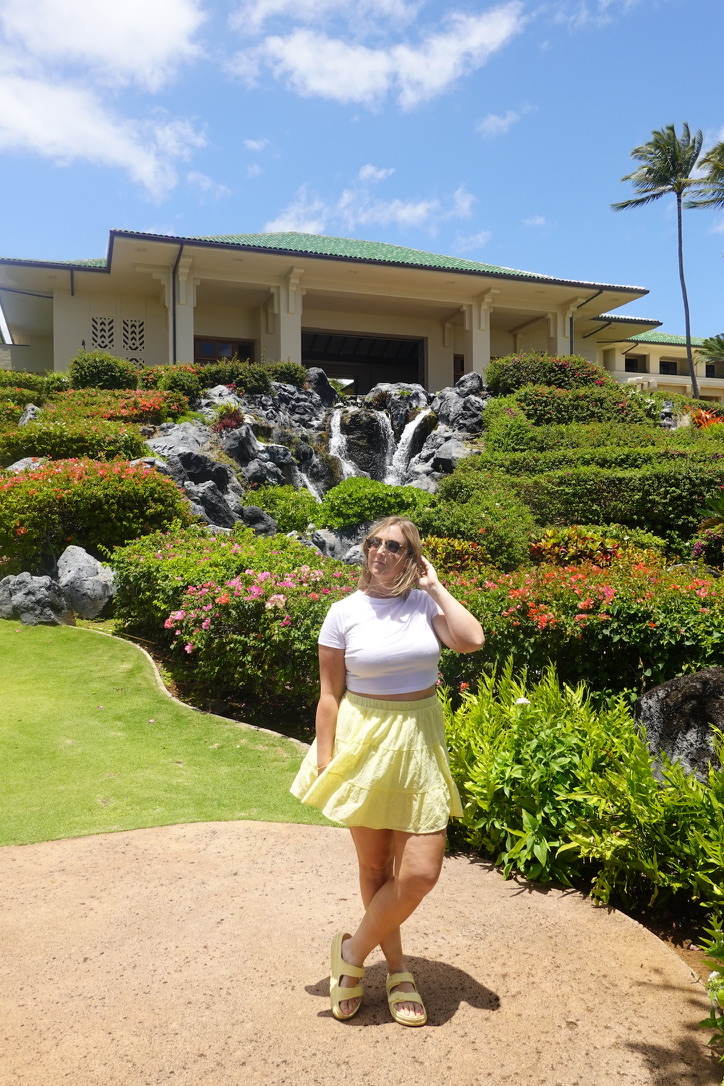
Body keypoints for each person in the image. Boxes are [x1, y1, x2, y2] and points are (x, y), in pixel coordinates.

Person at [290, 515, 484, 1026]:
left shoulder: (424, 605)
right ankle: (397, 969)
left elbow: (470, 639)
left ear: (410, 556)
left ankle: (351, 956)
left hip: (418, 740)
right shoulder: (342, 613)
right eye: (373, 542)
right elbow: (329, 693)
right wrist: (328, 759)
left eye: (393, 546)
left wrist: (436, 586)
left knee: (419, 873)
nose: (379, 551)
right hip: (364, 741)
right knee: (376, 869)